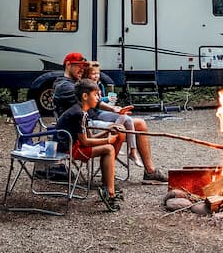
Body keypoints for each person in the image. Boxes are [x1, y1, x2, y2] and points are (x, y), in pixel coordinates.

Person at [53, 52, 168, 183]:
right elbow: (93, 102)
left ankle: (150, 171)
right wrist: (113, 109)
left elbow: (94, 100)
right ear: (68, 65)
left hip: (92, 120)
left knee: (139, 124)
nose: (83, 69)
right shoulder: (65, 86)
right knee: (120, 131)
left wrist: (115, 109)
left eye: (83, 66)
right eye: (79, 66)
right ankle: (108, 177)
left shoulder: (75, 82)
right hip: (82, 128)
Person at [55, 79, 123, 211]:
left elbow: (90, 137)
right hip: (68, 148)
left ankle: (108, 189)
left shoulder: (82, 111)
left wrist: (108, 130)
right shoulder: (79, 114)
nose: (98, 98)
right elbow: (86, 142)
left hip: (74, 144)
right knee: (108, 148)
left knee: (108, 148)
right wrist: (108, 141)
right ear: (85, 96)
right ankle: (110, 192)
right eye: (96, 95)